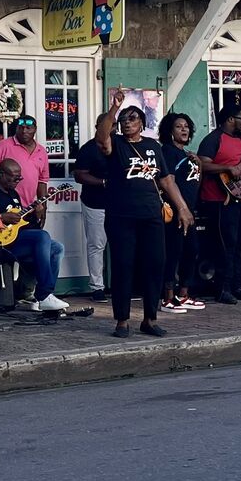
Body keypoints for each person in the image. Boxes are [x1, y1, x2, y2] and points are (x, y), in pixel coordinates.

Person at [97, 99, 181, 337]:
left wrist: (182, 208)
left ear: (142, 124)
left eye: (132, 118)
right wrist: (113, 109)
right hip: (121, 216)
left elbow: (165, 180)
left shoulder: (154, 147)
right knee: (124, 266)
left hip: (151, 215)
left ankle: (150, 319)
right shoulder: (116, 144)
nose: (126, 122)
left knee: (155, 265)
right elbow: (102, 134)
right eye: (123, 119)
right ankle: (122, 320)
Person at [0, 158, 69, 314]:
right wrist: (1, 217)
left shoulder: (14, 194)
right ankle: (44, 294)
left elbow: (23, 225)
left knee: (57, 248)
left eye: (20, 178)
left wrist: (36, 215)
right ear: (2, 174)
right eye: (14, 177)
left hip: (15, 239)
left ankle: (43, 297)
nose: (18, 181)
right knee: (42, 236)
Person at [196, 106, 241, 305]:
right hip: (220, 200)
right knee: (226, 244)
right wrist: (227, 168)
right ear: (230, 119)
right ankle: (222, 288)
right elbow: (202, 165)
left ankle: (237, 286)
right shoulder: (213, 139)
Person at [156, 113, 205, 313]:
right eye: (179, 127)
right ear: (170, 131)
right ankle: (167, 297)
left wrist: (199, 163)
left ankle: (183, 294)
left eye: (186, 126)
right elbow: (168, 183)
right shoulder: (168, 152)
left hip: (190, 210)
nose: (184, 130)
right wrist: (180, 208)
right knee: (173, 252)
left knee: (191, 250)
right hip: (176, 211)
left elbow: (196, 182)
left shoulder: (186, 154)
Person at [72, 136, 111, 301]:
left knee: (124, 244)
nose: (113, 129)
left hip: (120, 203)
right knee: (96, 244)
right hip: (95, 203)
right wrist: (103, 182)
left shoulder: (121, 146)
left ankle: (124, 285)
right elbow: (79, 175)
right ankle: (97, 287)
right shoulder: (89, 148)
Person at [0, 114, 51, 207]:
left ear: (35, 129)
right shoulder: (2, 146)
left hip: (30, 207)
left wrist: (43, 207)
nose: (24, 131)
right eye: (21, 127)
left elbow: (42, 182)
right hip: (5, 206)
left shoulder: (41, 151)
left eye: (28, 128)